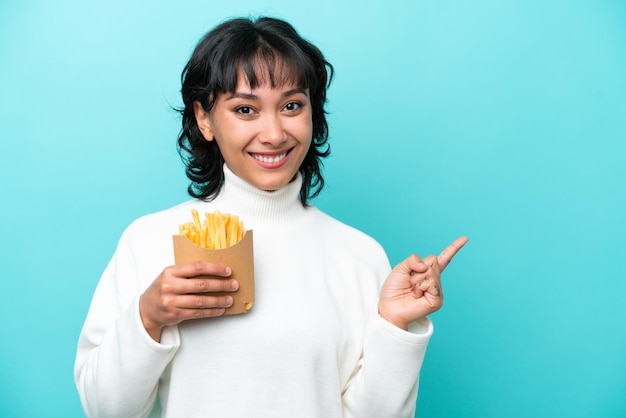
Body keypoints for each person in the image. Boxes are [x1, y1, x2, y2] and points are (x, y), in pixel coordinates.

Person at [74, 16, 467, 418]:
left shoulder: (360, 256)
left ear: (314, 112)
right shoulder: (150, 241)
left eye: (292, 105)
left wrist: (395, 328)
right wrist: (148, 318)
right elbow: (106, 410)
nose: (275, 133)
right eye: (245, 109)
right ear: (204, 118)